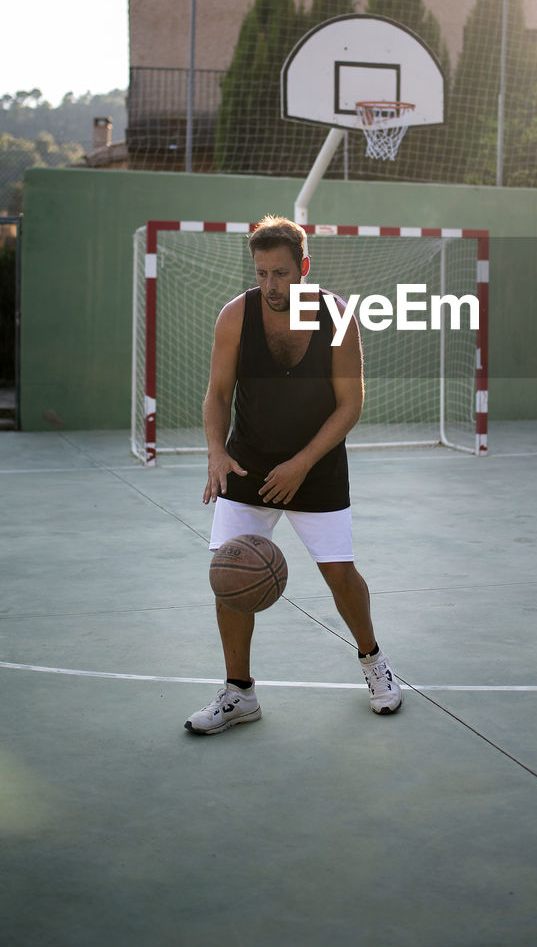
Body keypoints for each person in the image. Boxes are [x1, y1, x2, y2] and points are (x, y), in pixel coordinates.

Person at [185, 214, 402, 734]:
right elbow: (217, 395)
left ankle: (374, 663)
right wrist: (216, 452)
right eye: (261, 273)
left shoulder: (338, 316)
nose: (270, 285)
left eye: (280, 273)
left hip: (317, 465)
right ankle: (239, 694)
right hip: (249, 461)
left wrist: (302, 464)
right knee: (230, 573)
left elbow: (351, 404)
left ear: (303, 267)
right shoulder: (236, 317)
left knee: (339, 574)